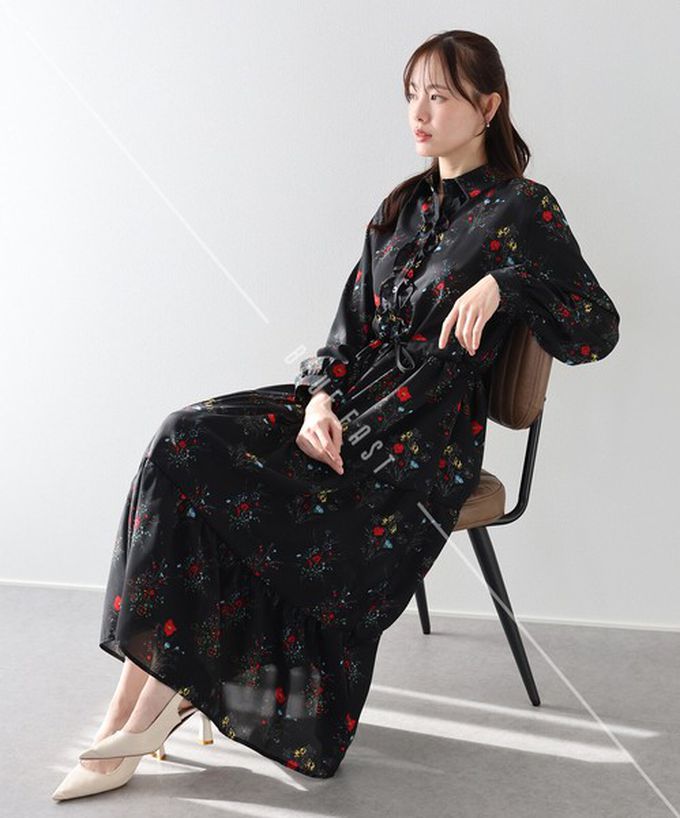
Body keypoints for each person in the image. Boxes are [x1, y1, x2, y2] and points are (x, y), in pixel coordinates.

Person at [52, 28, 620, 799]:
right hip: (346, 408)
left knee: (253, 488)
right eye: (412, 94)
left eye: (440, 95)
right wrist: (318, 402)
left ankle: (139, 716)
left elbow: (595, 326)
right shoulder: (400, 209)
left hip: (419, 439)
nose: (420, 112)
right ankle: (143, 702)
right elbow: (345, 336)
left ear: (488, 107)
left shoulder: (523, 208)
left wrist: (506, 285)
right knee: (184, 439)